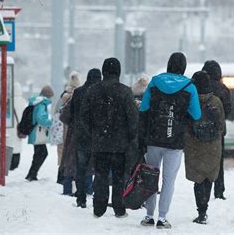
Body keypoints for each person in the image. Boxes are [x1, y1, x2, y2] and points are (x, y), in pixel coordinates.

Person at [139, 52, 201, 229]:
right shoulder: (189, 87)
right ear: (183, 67)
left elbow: (143, 108)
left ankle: (149, 215)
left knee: (151, 177)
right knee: (168, 180)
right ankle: (162, 218)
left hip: (153, 138)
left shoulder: (154, 82)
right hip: (175, 141)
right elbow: (196, 114)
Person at [80, 58, 138, 218]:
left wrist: (93, 133)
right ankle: (119, 208)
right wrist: (130, 137)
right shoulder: (125, 91)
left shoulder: (93, 91)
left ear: (103, 71)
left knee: (100, 176)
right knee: (119, 177)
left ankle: (99, 208)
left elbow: (83, 117)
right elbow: (133, 119)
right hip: (120, 144)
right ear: (118, 72)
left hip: (99, 142)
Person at [184, 71, 225, 224]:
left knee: (198, 179)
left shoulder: (190, 101)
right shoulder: (216, 102)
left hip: (194, 146)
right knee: (208, 178)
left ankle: (201, 211)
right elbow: (221, 126)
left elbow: (185, 124)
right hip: (213, 145)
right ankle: (204, 210)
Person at [71, 68, 102, 208]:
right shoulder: (101, 92)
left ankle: (81, 199)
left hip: (81, 136)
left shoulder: (78, 92)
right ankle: (98, 197)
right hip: (99, 137)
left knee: (81, 169)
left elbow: (72, 115)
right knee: (101, 169)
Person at [202, 60, 232, 200]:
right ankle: (219, 191)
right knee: (218, 161)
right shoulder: (223, 89)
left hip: (199, 130)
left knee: (201, 159)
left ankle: (201, 188)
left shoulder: (200, 87)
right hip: (218, 131)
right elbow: (229, 110)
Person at [25, 85, 54, 181]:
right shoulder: (42, 103)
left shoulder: (36, 101)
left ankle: (32, 174)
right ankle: (32, 174)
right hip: (38, 131)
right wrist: (51, 122)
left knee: (38, 153)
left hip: (34, 130)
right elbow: (40, 118)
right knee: (42, 153)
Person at [10, 82, 27, 170]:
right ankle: (15, 163)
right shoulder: (22, 100)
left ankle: (10, 163)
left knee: (10, 144)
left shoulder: (9, 99)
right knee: (17, 145)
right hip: (19, 126)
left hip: (10, 126)